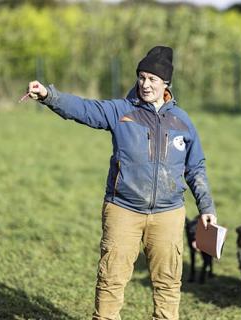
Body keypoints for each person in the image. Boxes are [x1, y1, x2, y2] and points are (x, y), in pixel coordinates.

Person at [25, 45, 217, 320]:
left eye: (152, 79)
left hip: (168, 214)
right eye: (141, 77)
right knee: (111, 280)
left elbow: (195, 167)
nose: (145, 84)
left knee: (168, 283)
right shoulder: (121, 111)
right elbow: (84, 109)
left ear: (166, 84)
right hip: (123, 209)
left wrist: (207, 207)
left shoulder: (182, 121)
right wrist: (48, 95)